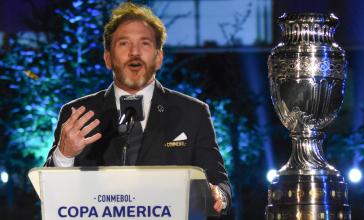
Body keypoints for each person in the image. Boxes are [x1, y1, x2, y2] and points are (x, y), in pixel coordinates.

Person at [44, 2, 231, 215]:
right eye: (124, 44)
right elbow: (50, 197)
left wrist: (218, 196)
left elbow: (221, 185)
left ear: (159, 57)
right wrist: (64, 155)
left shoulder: (193, 112)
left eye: (144, 44)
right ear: (108, 58)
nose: (134, 52)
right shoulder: (77, 113)